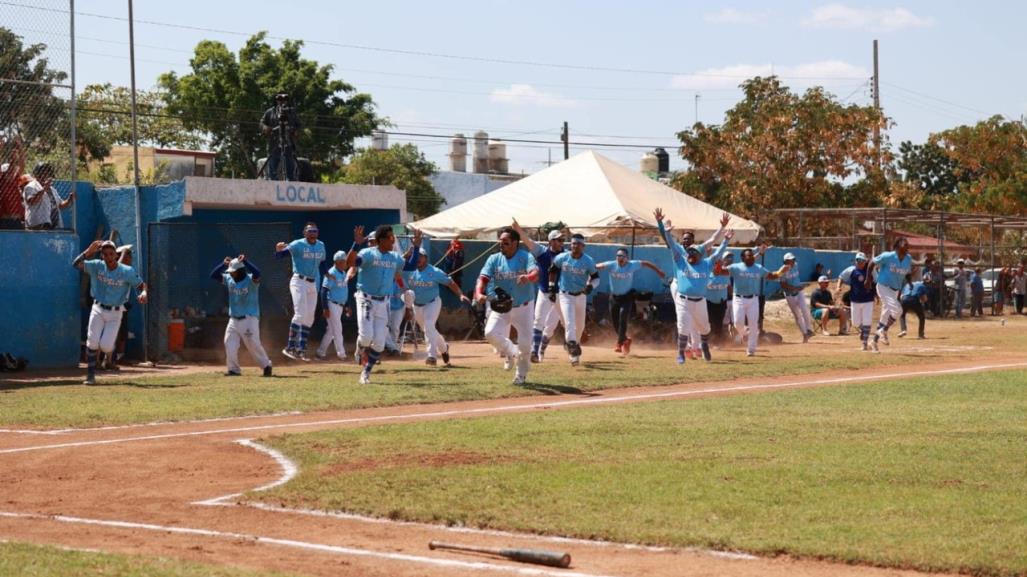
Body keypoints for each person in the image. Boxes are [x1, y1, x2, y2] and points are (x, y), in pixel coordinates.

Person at [73, 240, 148, 385]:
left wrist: (144, 293)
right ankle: (90, 375)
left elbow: (140, 284)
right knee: (92, 341)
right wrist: (87, 253)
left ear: (115, 254)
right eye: (105, 254)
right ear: (102, 255)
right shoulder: (96, 265)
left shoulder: (126, 271)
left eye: (111, 253)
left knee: (106, 346)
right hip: (98, 308)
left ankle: (106, 358)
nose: (108, 256)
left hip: (115, 312)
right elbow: (75, 264)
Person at [474, 226, 538, 385]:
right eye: (500, 242)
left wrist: (528, 277)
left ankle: (521, 375)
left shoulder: (526, 256)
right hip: (501, 305)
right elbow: (482, 279)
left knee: (525, 344)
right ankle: (510, 351)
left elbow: (535, 273)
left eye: (506, 242)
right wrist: (479, 293)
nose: (501, 245)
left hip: (524, 306)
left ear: (515, 243)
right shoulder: (494, 258)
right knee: (489, 333)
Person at [345, 224, 407, 384]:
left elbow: (411, 265)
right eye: (390, 237)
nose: (393, 240)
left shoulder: (394, 257)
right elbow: (350, 262)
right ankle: (360, 347)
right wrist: (356, 244)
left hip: (384, 302)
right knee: (366, 337)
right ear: (381, 240)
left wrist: (418, 247)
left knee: (379, 343)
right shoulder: (368, 254)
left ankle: (365, 373)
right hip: (366, 299)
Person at [404, 233, 472, 366]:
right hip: (417, 305)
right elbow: (396, 267)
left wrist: (460, 294)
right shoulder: (410, 270)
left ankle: (431, 356)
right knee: (429, 331)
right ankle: (444, 348)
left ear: (426, 258)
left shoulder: (434, 271)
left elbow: (450, 282)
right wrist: (407, 254)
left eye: (420, 256)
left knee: (429, 326)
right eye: (415, 256)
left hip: (432, 303)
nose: (417, 259)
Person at [210, 255, 273, 377]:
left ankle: (266, 365)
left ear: (240, 271)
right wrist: (223, 265)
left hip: (249, 318)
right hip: (233, 319)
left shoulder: (251, 280)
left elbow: (257, 272)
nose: (231, 274)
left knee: (253, 344)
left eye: (233, 272)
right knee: (229, 343)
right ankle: (233, 369)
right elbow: (213, 275)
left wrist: (246, 261)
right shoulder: (229, 279)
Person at [596, 248, 665, 355]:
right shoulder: (612, 265)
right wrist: (595, 267)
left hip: (626, 297)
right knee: (615, 323)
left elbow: (646, 263)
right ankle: (625, 340)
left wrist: (658, 271)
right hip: (614, 298)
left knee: (623, 318)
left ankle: (619, 343)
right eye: (618, 256)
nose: (620, 258)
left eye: (622, 256)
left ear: (627, 258)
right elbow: (599, 266)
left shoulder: (632, 265)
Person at [274, 222, 327, 361]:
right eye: (309, 231)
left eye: (315, 231)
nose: (312, 233)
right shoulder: (298, 244)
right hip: (299, 281)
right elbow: (280, 256)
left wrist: (327, 274)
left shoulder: (321, 245)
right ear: (304, 233)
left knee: (309, 317)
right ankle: (290, 347)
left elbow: (322, 263)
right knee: (299, 314)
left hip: (312, 283)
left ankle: (301, 349)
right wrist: (278, 250)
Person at [514, 223, 565, 364]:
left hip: (561, 295)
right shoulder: (542, 251)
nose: (562, 242)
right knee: (538, 321)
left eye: (562, 240)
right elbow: (528, 241)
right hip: (544, 292)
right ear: (551, 241)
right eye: (559, 240)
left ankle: (543, 349)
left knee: (551, 327)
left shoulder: (566, 255)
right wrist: (518, 229)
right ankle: (535, 352)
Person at [726, 247, 791, 357]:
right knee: (737, 322)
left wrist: (781, 272)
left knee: (753, 324)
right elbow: (721, 271)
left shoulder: (758, 268)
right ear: (742, 258)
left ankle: (751, 349)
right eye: (748, 255)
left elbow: (771, 276)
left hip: (753, 299)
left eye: (752, 255)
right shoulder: (736, 267)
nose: (751, 257)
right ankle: (744, 334)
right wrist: (717, 268)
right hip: (738, 298)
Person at [547, 233, 599, 366]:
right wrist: (552, 287)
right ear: (570, 245)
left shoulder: (588, 261)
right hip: (566, 295)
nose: (575, 246)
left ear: (583, 246)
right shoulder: (562, 257)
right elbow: (552, 270)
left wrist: (590, 286)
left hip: (581, 296)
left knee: (580, 326)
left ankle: (575, 344)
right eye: (573, 244)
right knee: (569, 323)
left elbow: (596, 277)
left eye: (578, 244)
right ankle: (573, 354)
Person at [866, 237, 913, 351]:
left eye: (908, 245)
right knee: (898, 310)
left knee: (885, 316)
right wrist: (868, 279)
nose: (907, 247)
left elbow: (907, 272)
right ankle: (884, 330)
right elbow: (872, 262)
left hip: (895, 290)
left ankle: (874, 341)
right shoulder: (888, 256)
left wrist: (910, 283)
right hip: (883, 287)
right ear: (898, 246)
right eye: (905, 245)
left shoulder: (908, 258)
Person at [315, 251, 352, 361]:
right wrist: (325, 307)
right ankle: (342, 355)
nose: (345, 263)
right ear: (338, 262)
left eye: (345, 261)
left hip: (340, 305)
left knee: (331, 331)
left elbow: (344, 290)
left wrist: (347, 305)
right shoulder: (332, 273)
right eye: (343, 261)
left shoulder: (343, 273)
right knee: (337, 329)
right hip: (332, 304)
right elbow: (324, 290)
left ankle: (320, 353)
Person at [22, 162, 74, 230]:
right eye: (44, 173)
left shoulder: (52, 189)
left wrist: (69, 200)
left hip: (54, 225)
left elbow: (60, 205)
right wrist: (44, 189)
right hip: (37, 226)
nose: (46, 175)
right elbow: (32, 201)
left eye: (48, 173)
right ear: (38, 174)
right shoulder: (31, 186)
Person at [261, 93, 301, 181]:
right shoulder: (270, 112)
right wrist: (266, 128)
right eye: (279, 99)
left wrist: (295, 131)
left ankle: (290, 188)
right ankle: (272, 188)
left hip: (288, 143)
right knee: (272, 171)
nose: (282, 101)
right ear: (276, 100)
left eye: (284, 99)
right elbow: (262, 123)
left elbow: (299, 125)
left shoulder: (292, 112)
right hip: (274, 144)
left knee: (291, 171)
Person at [839, 252, 875, 350]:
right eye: (858, 260)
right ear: (855, 261)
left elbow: (876, 282)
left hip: (868, 300)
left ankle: (864, 343)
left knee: (867, 321)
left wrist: (878, 295)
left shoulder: (870, 271)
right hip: (855, 300)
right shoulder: (851, 270)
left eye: (862, 261)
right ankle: (864, 331)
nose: (860, 262)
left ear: (865, 261)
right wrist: (838, 287)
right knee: (855, 322)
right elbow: (841, 277)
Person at [779, 252, 816, 343]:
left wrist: (799, 286)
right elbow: (783, 285)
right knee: (797, 315)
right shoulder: (782, 270)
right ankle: (804, 334)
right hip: (790, 295)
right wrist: (794, 287)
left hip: (799, 291)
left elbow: (796, 278)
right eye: (790, 260)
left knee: (805, 309)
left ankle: (809, 330)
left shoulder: (795, 265)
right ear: (785, 261)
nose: (792, 261)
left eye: (793, 259)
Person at [705, 252, 734, 345]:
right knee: (709, 322)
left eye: (719, 265)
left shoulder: (725, 275)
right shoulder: (707, 275)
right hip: (709, 302)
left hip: (721, 302)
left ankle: (717, 342)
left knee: (719, 323)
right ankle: (708, 341)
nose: (718, 267)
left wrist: (735, 297)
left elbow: (729, 288)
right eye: (716, 265)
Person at [0, 135, 26, 229]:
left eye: (11, 170)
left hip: (17, 220)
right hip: (4, 220)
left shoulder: (15, 179)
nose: (10, 172)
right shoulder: (1, 181)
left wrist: (20, 148)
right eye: (7, 171)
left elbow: (22, 164)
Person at [899, 274, 929, 339]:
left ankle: (903, 330)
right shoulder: (922, 286)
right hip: (914, 299)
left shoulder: (908, 285)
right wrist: (921, 305)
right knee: (921, 317)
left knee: (902, 315)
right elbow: (925, 299)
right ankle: (920, 334)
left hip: (904, 299)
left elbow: (901, 296)